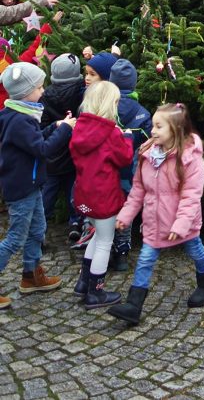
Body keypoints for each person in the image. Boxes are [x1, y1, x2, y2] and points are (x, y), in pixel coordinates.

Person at [108, 103, 204, 325]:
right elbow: (138, 189)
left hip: (182, 223)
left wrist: (180, 225)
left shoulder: (190, 158)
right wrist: (125, 215)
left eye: (159, 126)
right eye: (153, 125)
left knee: (196, 251)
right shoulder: (148, 154)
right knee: (145, 259)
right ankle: (134, 305)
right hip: (155, 222)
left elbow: (191, 196)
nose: (153, 130)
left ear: (175, 130)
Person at [0, 63, 75, 309]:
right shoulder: (19, 120)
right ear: (26, 92)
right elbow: (43, 150)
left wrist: (53, 127)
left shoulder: (20, 115)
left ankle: (31, 275)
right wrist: (63, 130)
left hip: (32, 185)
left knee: (37, 230)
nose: (43, 91)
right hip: (21, 188)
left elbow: (33, 141)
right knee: (15, 238)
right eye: (39, 87)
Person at [70, 81, 133, 309]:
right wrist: (127, 138)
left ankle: (83, 282)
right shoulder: (111, 132)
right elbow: (124, 158)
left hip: (84, 195)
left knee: (97, 236)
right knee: (106, 241)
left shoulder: (79, 127)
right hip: (103, 196)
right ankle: (95, 292)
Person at [108, 58, 152, 271]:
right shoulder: (142, 112)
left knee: (106, 211)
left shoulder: (104, 107)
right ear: (134, 84)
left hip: (105, 172)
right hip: (130, 172)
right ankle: (123, 253)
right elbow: (149, 141)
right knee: (126, 209)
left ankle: (103, 250)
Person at [39, 53, 85, 241]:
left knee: (46, 196)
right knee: (74, 192)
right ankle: (76, 223)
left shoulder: (44, 96)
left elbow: (42, 126)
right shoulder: (83, 93)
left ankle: (39, 230)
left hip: (51, 156)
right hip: (74, 154)